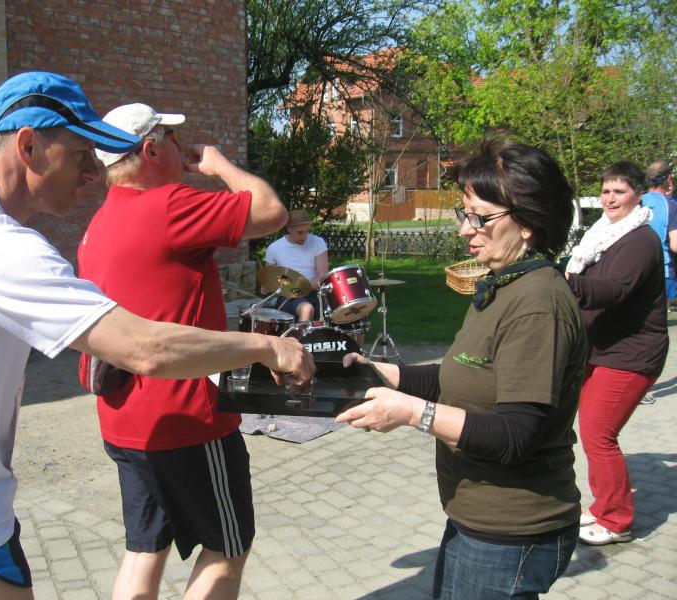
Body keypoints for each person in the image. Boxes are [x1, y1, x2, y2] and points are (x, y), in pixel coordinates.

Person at [0, 72, 313, 600]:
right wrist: (270, 346)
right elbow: (147, 347)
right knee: (226, 547)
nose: (92, 171)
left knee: (144, 548)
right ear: (28, 145)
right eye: (81, 153)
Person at [336, 139, 587, 599]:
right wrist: (377, 371)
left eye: (481, 218)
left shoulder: (538, 304)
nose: (465, 229)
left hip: (512, 531)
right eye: (464, 214)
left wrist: (411, 413)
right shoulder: (503, 284)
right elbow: (461, 378)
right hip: (477, 520)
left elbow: (516, 435)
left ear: (528, 223)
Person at [78, 102, 286, 600]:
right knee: (227, 548)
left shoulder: (97, 225)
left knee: (144, 548)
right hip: (188, 420)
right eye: (171, 139)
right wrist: (218, 166)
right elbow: (271, 211)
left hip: (124, 421)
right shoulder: (170, 204)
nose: (181, 146)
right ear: (150, 150)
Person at [565, 162, 668, 546]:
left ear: (638, 195)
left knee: (599, 434)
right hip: (603, 349)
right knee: (594, 431)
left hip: (631, 354)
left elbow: (613, 290)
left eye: (619, 191)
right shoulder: (605, 233)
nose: (610, 198)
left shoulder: (639, 241)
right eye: (606, 191)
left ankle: (617, 519)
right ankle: (603, 504)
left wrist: (564, 280)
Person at [264, 208, 329, 321]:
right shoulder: (274, 248)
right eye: (300, 232)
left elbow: (322, 275)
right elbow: (269, 277)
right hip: (288, 297)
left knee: (342, 310)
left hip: (316, 293)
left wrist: (303, 288)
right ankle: (299, 333)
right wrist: (266, 286)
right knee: (307, 309)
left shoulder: (318, 242)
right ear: (289, 228)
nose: (304, 236)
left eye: (307, 231)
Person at [641, 160, 677, 301]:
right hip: (664, 272)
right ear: (669, 179)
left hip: (639, 270)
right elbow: (675, 245)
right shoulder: (671, 206)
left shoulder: (637, 202)